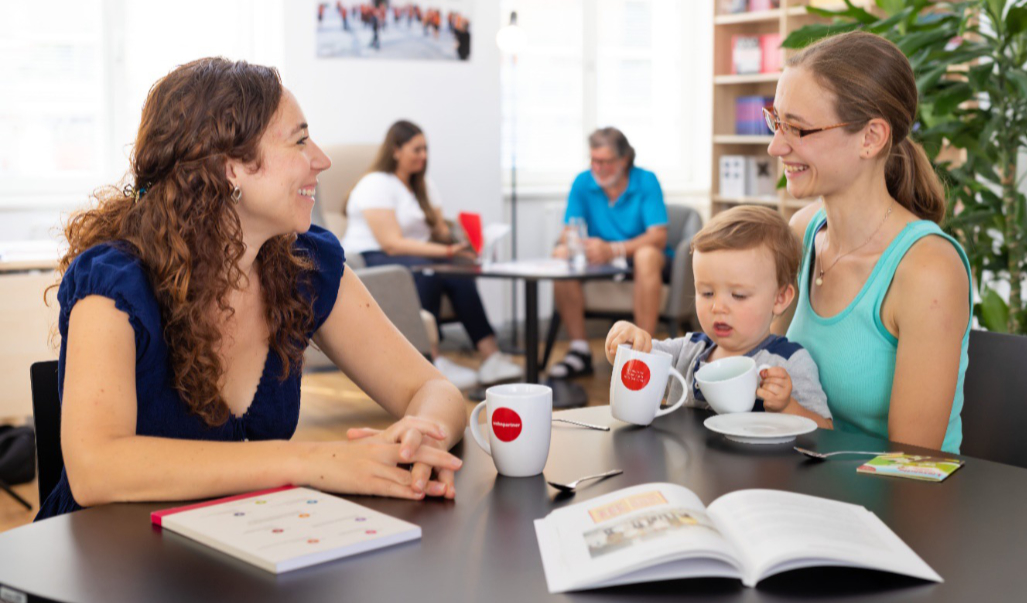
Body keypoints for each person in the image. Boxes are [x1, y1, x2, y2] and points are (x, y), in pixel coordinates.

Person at [36, 58, 467, 521]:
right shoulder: (114, 282)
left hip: (238, 548)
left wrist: (422, 437)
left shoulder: (305, 265)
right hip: (107, 567)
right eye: (300, 140)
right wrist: (311, 462)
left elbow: (434, 389)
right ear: (230, 168)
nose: (321, 159)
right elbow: (95, 469)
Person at [768, 31, 972, 453]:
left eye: (798, 129)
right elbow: (762, 357)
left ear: (871, 138)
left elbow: (909, 463)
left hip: (893, 502)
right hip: (802, 475)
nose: (776, 146)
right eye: (776, 121)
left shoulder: (927, 270)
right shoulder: (803, 231)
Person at [605, 206, 832, 428]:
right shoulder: (687, 350)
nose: (718, 307)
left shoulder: (789, 361)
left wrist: (787, 406)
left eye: (738, 295)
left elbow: (825, 430)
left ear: (780, 298)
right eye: (706, 293)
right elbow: (636, 361)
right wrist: (624, 341)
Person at [341, 120, 522, 388]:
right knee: (429, 272)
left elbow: (439, 232)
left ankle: (491, 356)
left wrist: (463, 243)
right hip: (374, 257)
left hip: (417, 256)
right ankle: (430, 360)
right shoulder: (376, 184)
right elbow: (391, 243)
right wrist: (446, 251)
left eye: (425, 149)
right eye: (416, 150)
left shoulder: (423, 186)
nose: (423, 156)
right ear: (395, 151)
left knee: (458, 273)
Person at [548, 127, 670, 379]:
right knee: (560, 253)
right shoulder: (583, 182)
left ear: (623, 160)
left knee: (646, 254)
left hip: (641, 260)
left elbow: (658, 236)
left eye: (605, 161)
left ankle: (643, 350)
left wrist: (614, 249)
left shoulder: (646, 180)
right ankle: (579, 350)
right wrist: (578, 244)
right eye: (594, 161)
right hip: (598, 264)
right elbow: (568, 231)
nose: (598, 168)